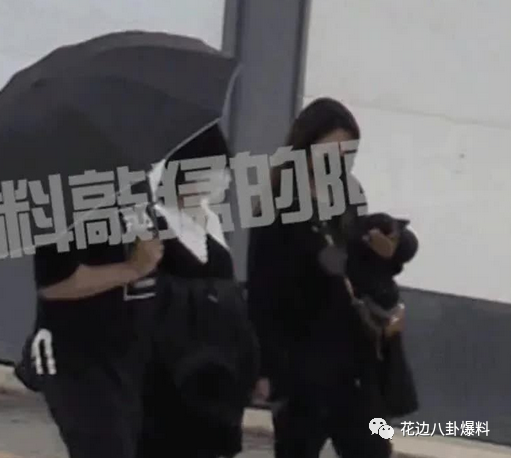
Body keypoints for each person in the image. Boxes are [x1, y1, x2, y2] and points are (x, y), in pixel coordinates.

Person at [247, 97, 416, 458]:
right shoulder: (278, 204)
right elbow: (262, 292)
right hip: (301, 359)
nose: (337, 161)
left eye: (346, 153)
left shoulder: (348, 195)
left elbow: (360, 263)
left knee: (373, 449)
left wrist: (385, 255)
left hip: (354, 356)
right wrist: (265, 369)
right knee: (298, 447)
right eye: (330, 150)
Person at [138, 124, 259, 458]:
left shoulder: (211, 220)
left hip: (217, 371)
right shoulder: (154, 221)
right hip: (168, 372)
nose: (223, 179)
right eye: (214, 169)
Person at [30, 225, 163, 458]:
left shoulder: (142, 205)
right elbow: (54, 283)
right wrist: (133, 268)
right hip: (81, 359)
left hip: (135, 354)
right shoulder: (67, 211)